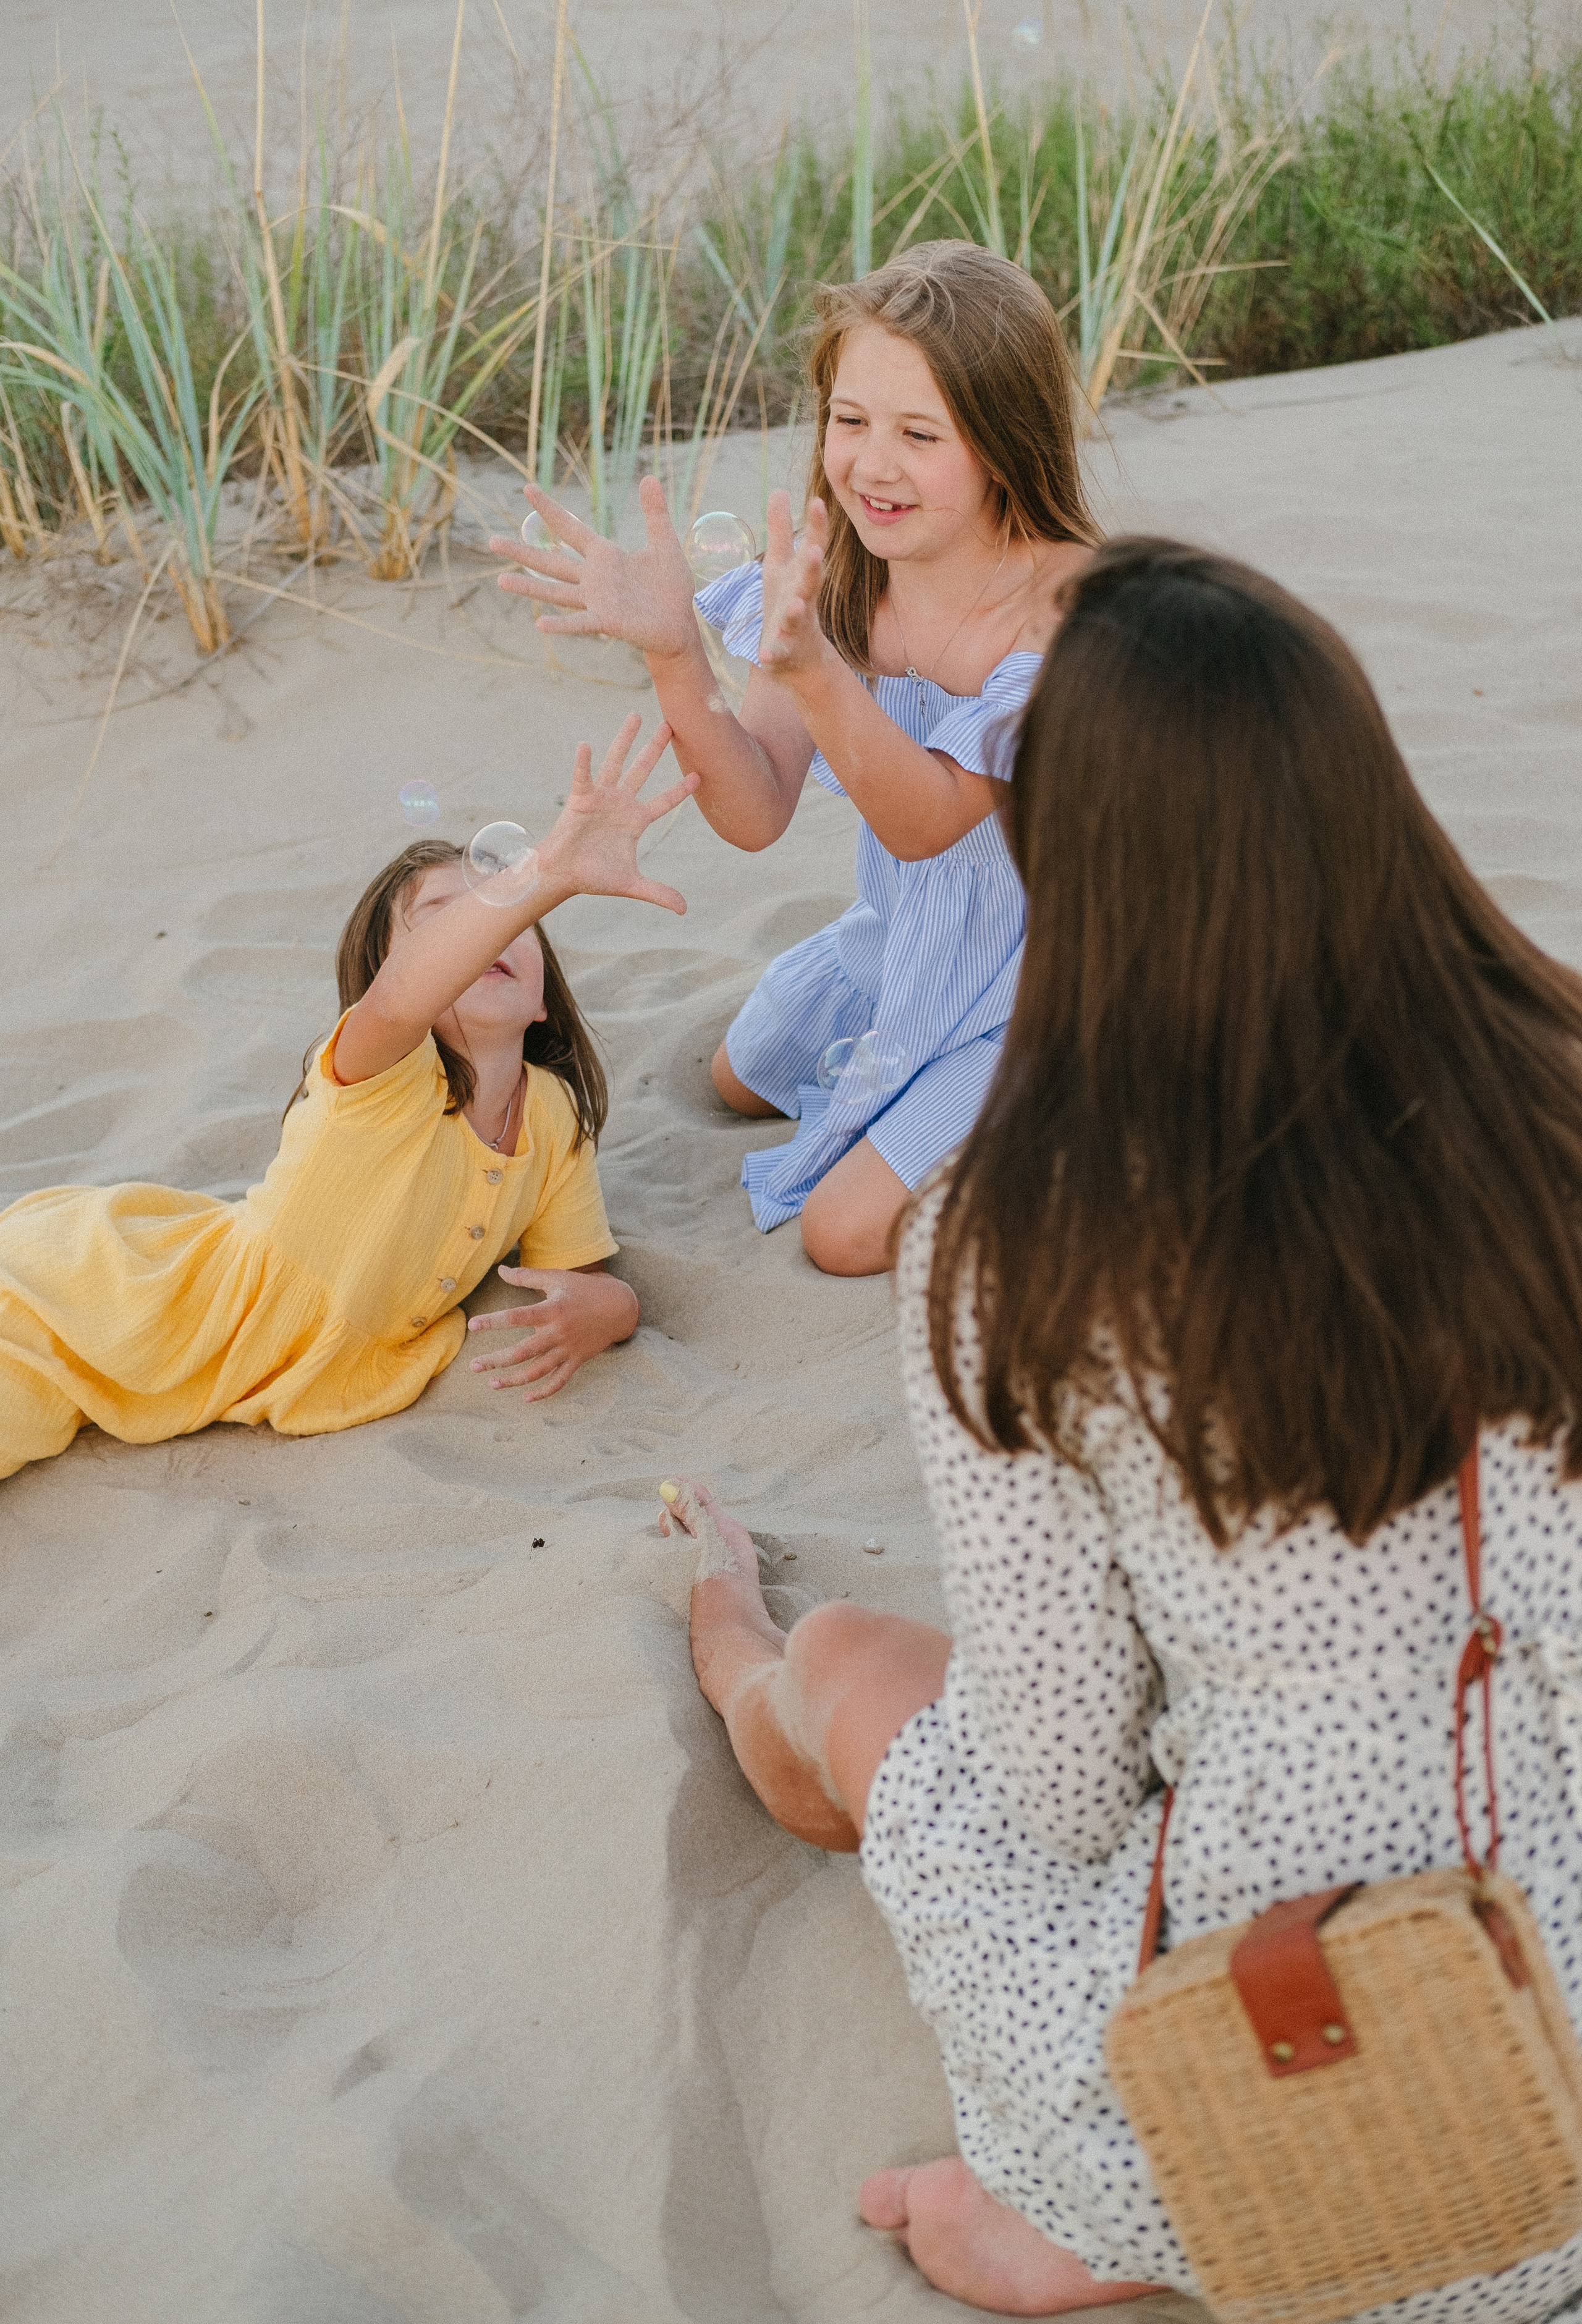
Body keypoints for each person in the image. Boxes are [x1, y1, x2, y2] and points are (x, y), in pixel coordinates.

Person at [657, 541, 1582, 2319]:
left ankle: (736, 1654)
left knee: (849, 1668)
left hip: (1307, 2109)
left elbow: (1064, 1791)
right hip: (1556, 2096)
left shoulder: (1026, 1243)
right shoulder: (1546, 1106)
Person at [493, 240, 1098, 1277]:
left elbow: (926, 819)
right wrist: (677, 652)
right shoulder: (838, 576)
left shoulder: (1062, 606)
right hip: (912, 938)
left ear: (1003, 442)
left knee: (843, 1233)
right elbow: (755, 809)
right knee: (745, 1073)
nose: (871, 463)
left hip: (1060, 984)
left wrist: (819, 671)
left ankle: (1090, 1143)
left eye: (920, 433)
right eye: (849, 420)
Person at [0, 716, 695, 1481]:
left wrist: (615, 1310)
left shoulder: (554, 1117)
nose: (494, 926)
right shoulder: (381, 1073)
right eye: (452, 920)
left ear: (542, 999)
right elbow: (399, 1003)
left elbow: (583, 1276)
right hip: (100, 1305)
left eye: (515, 914)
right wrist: (549, 874)